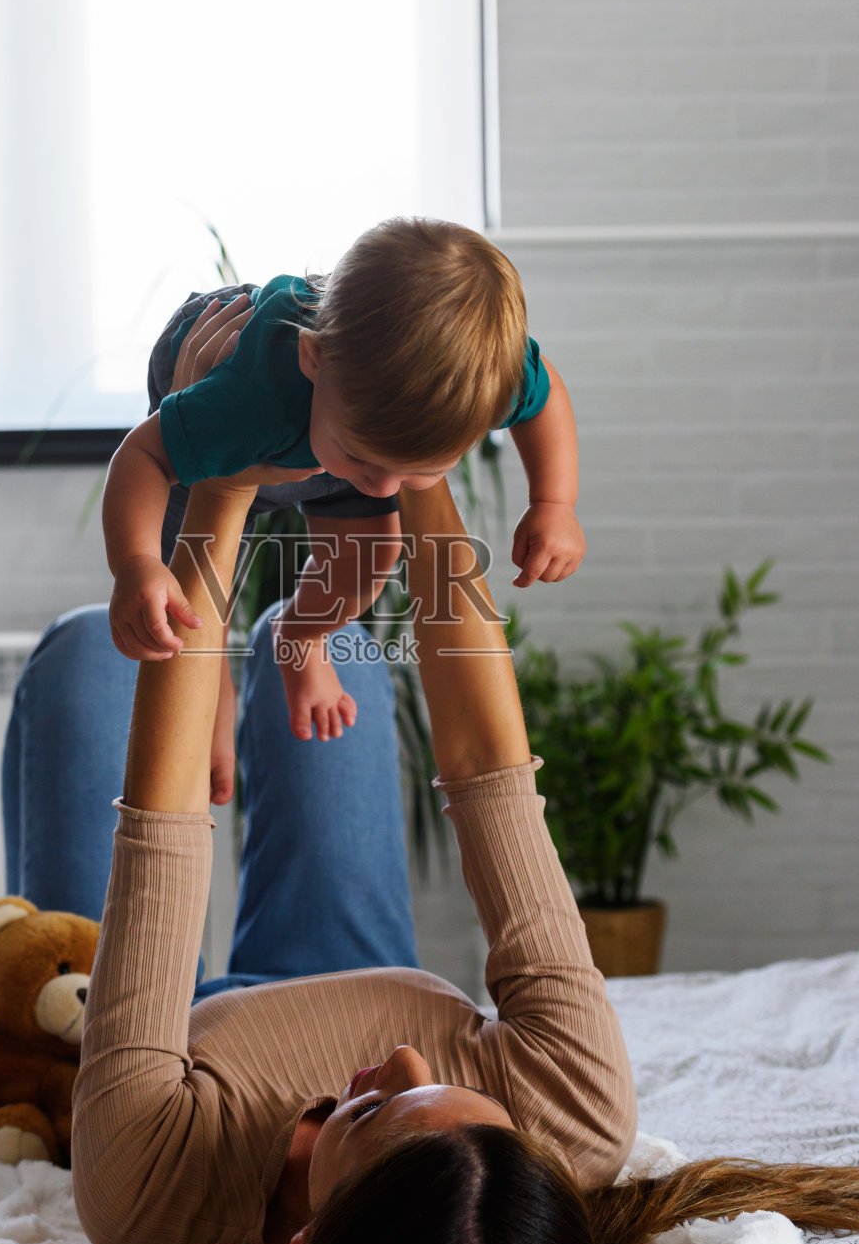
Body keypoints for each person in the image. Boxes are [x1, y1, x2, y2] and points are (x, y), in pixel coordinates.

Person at [6, 472, 859, 1244]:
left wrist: (226, 488)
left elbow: (162, 835)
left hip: (150, 1053)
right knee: (329, 651)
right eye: (450, 1089)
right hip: (347, 958)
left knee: (92, 651)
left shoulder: (149, 1194)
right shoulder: (570, 1117)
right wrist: (419, 469)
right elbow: (490, 774)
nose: (402, 1056)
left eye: (372, 1111)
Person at [99, 217, 586, 806]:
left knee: (371, 556)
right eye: (365, 459)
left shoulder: (476, 383)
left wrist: (553, 503)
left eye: (418, 470)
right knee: (191, 598)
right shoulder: (246, 398)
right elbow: (141, 456)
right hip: (229, 391)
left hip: (324, 435)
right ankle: (218, 694)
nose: (383, 484)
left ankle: (299, 633)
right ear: (313, 358)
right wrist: (133, 565)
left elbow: (546, 394)